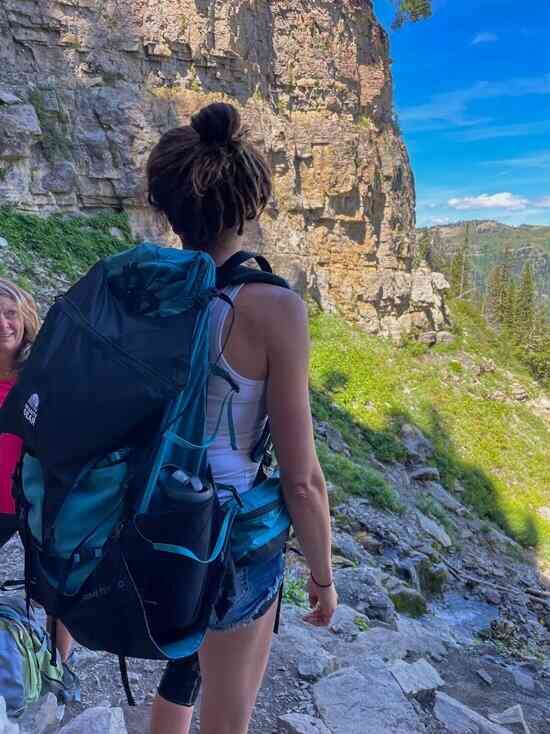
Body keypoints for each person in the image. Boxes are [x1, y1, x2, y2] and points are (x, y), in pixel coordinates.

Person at [146, 102, 338, 734]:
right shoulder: (273, 307)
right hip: (228, 533)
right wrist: (322, 573)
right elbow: (302, 476)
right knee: (231, 714)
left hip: (151, 516)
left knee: (179, 670)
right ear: (250, 207)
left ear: (168, 207)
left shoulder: (147, 288)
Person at [0, 278, 73, 662]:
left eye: (10, 314)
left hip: (36, 500)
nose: (2, 323)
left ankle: (60, 668)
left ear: (25, 320)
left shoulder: (43, 374)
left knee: (53, 589)